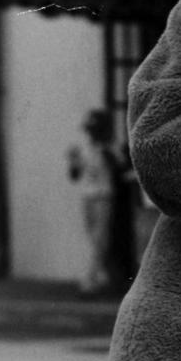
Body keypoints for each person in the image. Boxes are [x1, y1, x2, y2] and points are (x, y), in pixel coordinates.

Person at [66, 108, 126, 296]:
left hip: (103, 196)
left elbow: (121, 167)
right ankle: (103, 275)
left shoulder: (110, 148)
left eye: (94, 130)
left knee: (100, 237)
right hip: (88, 197)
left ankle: (89, 280)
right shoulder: (85, 148)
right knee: (93, 236)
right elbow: (75, 176)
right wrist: (73, 161)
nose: (91, 134)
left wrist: (106, 152)